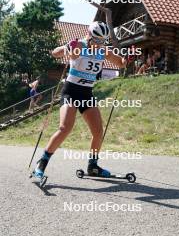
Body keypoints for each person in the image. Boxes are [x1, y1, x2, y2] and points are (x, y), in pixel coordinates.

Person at [33, 21, 126, 179]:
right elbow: (55, 53)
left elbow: (121, 63)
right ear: (89, 35)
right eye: (97, 40)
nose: (100, 44)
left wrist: (127, 58)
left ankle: (93, 166)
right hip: (71, 92)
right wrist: (68, 48)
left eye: (103, 41)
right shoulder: (80, 46)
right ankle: (42, 162)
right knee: (65, 128)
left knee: (98, 132)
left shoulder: (103, 50)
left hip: (86, 94)